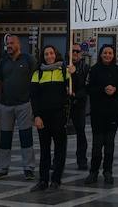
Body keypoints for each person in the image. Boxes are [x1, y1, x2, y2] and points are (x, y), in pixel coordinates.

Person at [0, 35, 37, 181]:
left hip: (24, 104)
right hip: (6, 105)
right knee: (5, 138)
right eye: (7, 43)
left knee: (26, 136)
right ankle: (2, 168)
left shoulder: (28, 59)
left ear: (19, 44)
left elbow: (36, 78)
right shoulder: (3, 61)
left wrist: (32, 99)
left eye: (11, 43)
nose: (9, 46)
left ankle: (29, 168)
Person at [29, 45, 72, 192]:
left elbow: (74, 89)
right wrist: (36, 116)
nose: (49, 56)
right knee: (44, 150)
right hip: (43, 117)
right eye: (46, 54)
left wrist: (74, 74)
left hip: (59, 116)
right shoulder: (38, 73)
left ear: (56, 54)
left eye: (51, 53)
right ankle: (43, 180)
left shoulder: (64, 71)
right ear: (43, 56)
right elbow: (34, 97)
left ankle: (56, 180)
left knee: (60, 149)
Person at [85, 44, 118, 185]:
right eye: (105, 53)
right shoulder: (94, 70)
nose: (107, 55)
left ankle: (108, 171)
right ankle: (93, 171)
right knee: (97, 144)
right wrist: (103, 89)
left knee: (109, 143)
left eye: (110, 53)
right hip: (98, 113)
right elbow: (89, 88)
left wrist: (115, 89)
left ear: (113, 55)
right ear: (101, 54)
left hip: (114, 112)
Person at [69, 43, 90, 170]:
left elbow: (85, 86)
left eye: (77, 51)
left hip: (79, 104)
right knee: (59, 133)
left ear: (81, 53)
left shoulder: (85, 68)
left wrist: (76, 94)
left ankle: (82, 159)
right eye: (73, 51)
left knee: (80, 132)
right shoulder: (64, 66)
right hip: (65, 104)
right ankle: (57, 160)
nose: (75, 53)